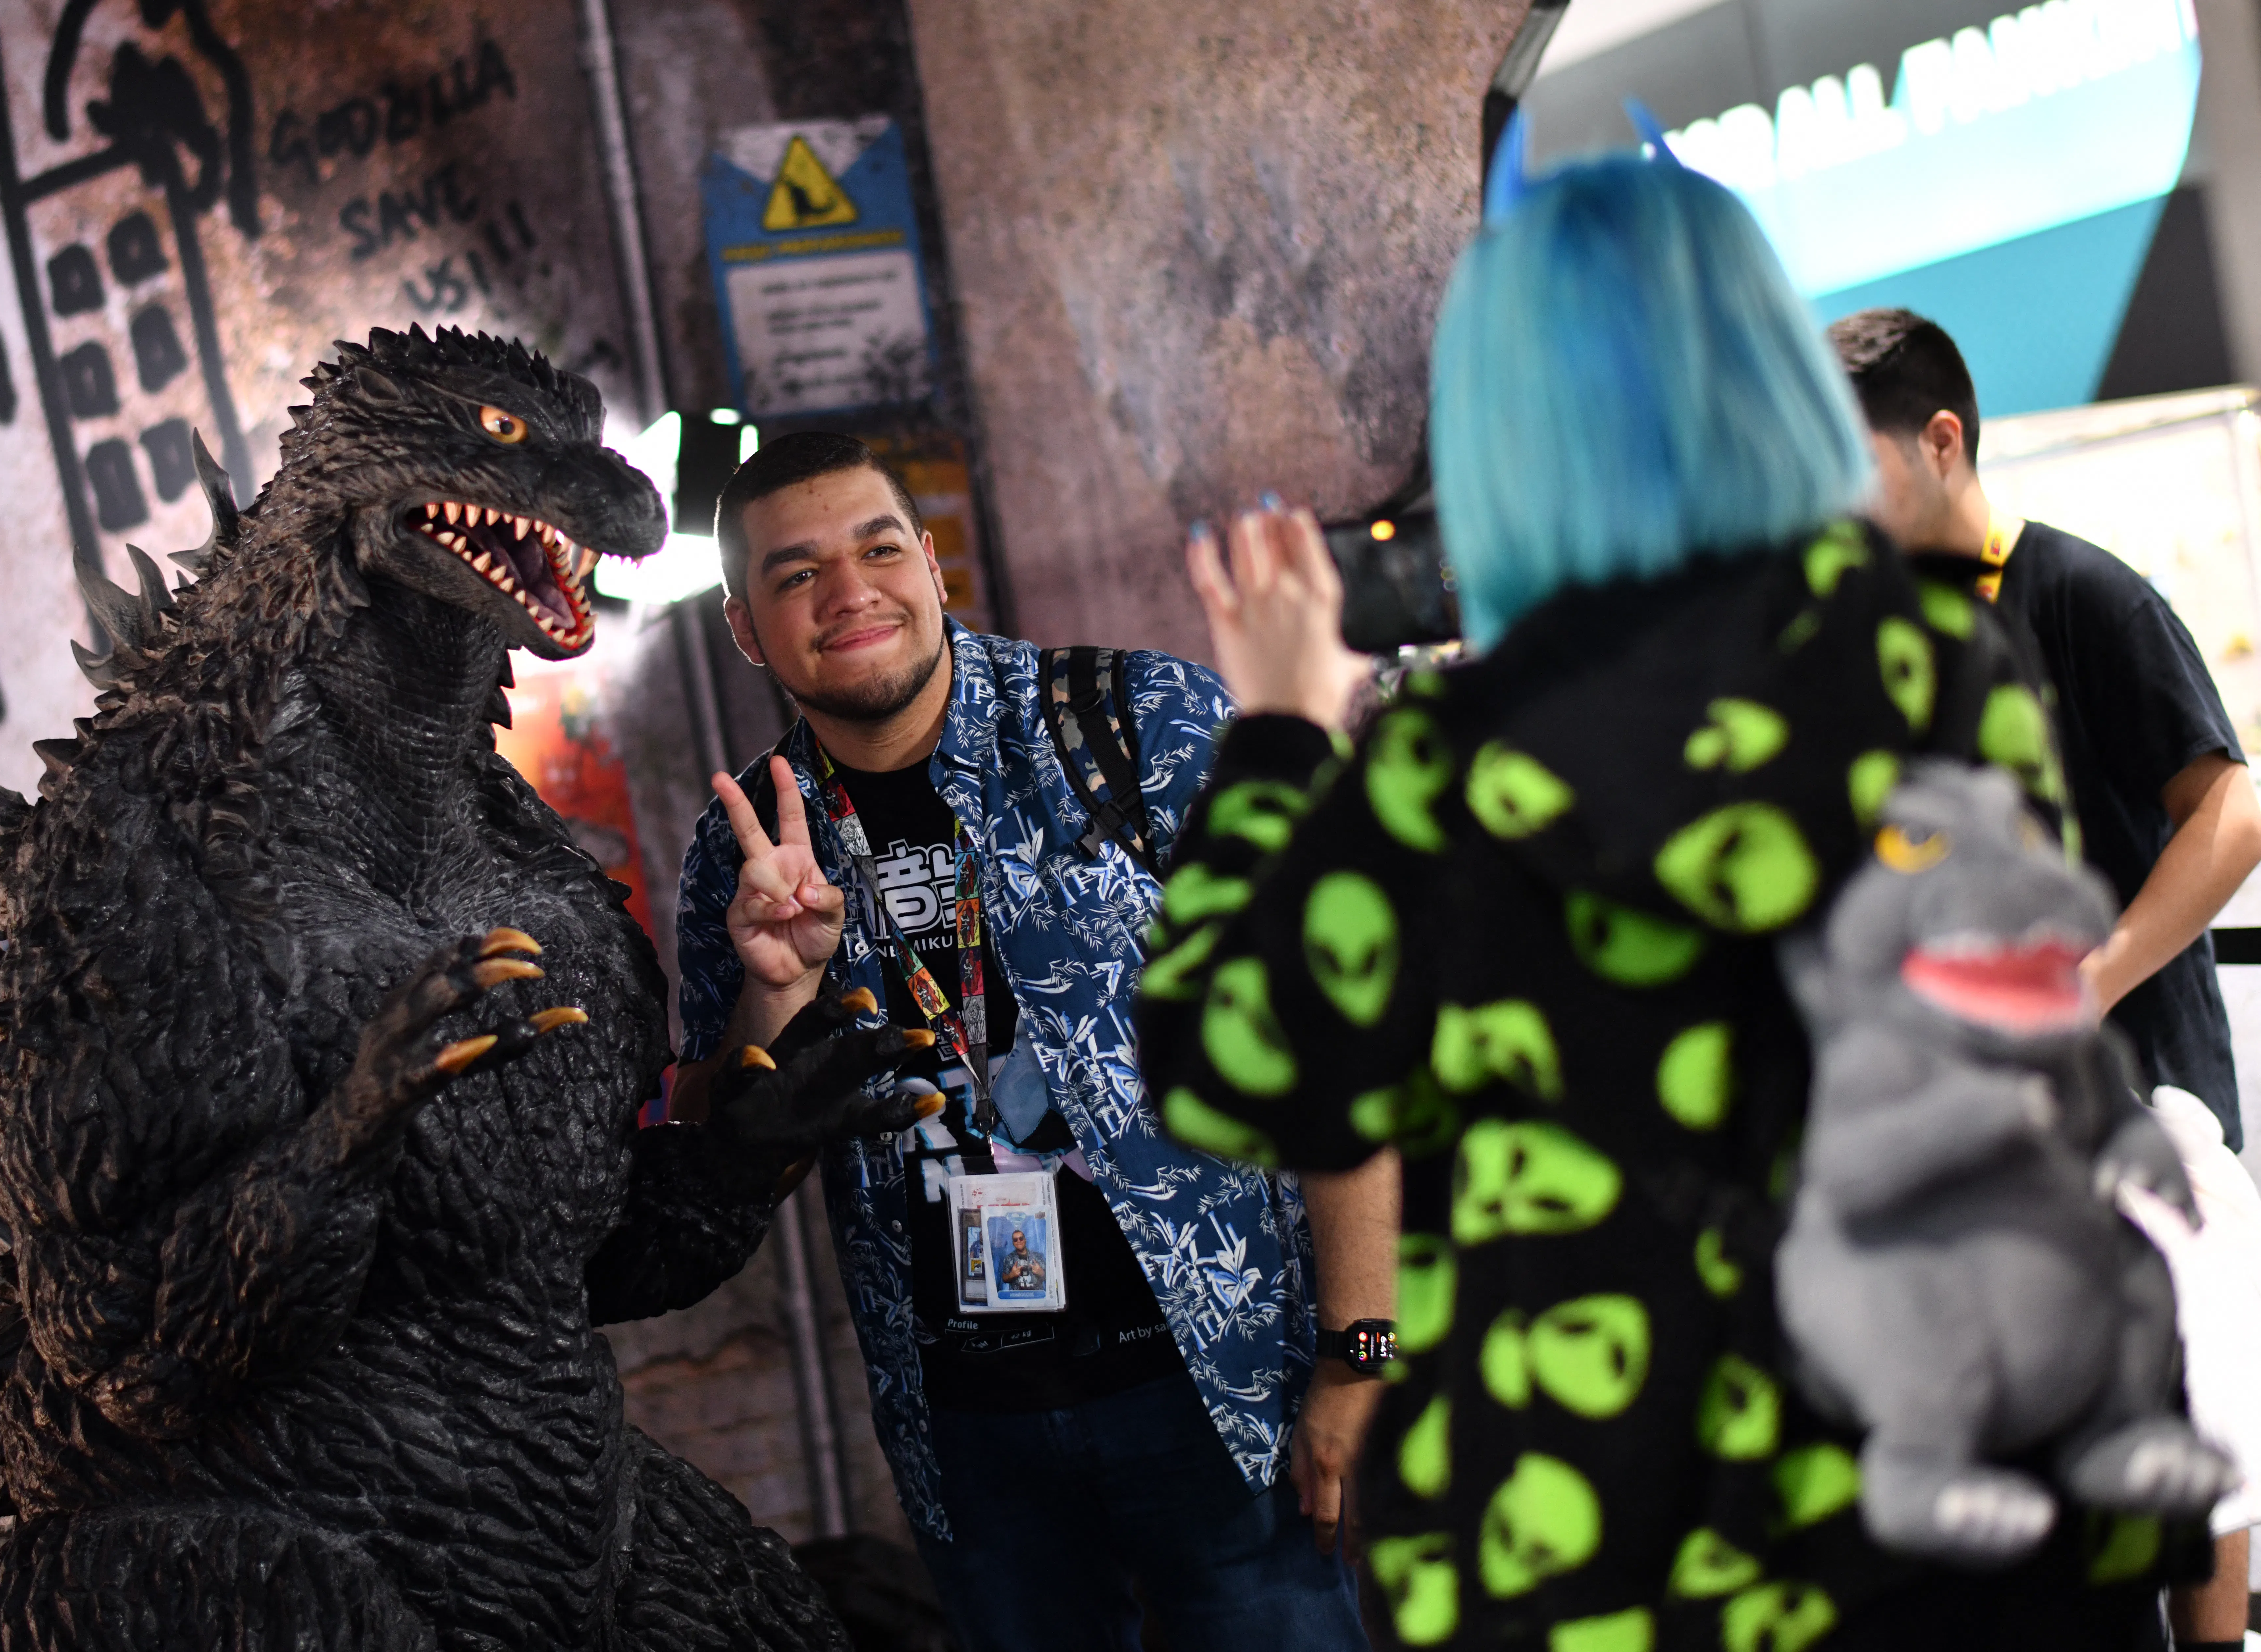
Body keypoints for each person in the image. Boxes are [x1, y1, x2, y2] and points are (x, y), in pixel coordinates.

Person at [1135, 152, 2204, 1648]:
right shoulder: (1939, 668)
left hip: (1615, 1520)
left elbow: (1234, 1066)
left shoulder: (1456, 763)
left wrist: (1278, 736)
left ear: (1507, 430)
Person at [674, 431, 1384, 1652]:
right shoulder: (745, 851)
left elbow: (1336, 1027)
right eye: (796, 575)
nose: (849, 594)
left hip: (1219, 1386)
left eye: (878, 549)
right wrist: (774, 993)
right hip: (972, 1437)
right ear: (745, 627)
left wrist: (1359, 1348)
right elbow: (713, 1149)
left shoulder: (1136, 722)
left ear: (930, 562)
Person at [1829, 306, 2261, 1652]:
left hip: (2142, 1103)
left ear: (1939, 440)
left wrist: (2101, 976)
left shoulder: (2080, 594)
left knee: (2193, 1416)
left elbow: (2233, 809)